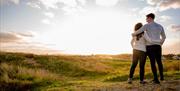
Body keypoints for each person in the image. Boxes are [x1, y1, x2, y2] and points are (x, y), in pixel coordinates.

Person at [132, 13, 166, 84]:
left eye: (147, 18)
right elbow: (164, 37)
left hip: (150, 47)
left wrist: (133, 34)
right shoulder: (160, 26)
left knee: (153, 63)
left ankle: (156, 79)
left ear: (150, 18)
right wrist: (160, 43)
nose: (146, 20)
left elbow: (137, 32)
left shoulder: (146, 26)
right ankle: (162, 77)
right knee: (159, 61)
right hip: (158, 46)